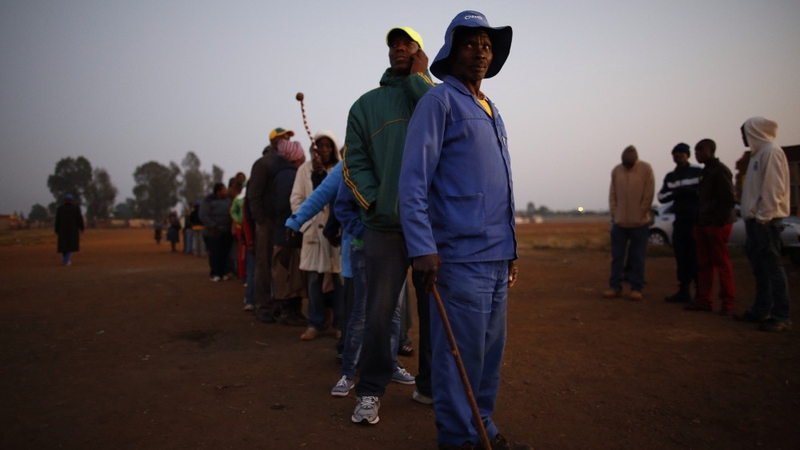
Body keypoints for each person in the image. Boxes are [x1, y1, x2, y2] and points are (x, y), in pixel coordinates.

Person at [400, 11, 530, 450]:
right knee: (460, 354)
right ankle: (458, 438)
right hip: (457, 257)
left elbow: (503, 186)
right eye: (471, 43)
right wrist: (422, 248)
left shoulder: (492, 110)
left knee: (489, 354)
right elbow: (413, 181)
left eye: (487, 45)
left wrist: (511, 248)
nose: (481, 51)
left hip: (495, 256)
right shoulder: (439, 103)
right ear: (452, 52)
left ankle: (483, 425)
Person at [343, 25, 435, 426]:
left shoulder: (435, 98)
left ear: (419, 53)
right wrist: (377, 204)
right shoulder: (366, 106)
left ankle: (429, 386)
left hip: (432, 226)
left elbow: (453, 133)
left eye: (407, 44)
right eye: (393, 45)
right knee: (380, 313)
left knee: (434, 310)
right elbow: (355, 163)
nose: (399, 48)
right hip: (385, 225)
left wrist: (420, 80)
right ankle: (370, 390)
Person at [735, 117, 792, 332]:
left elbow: (773, 190)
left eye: (745, 133)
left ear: (755, 131)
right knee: (760, 270)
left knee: (773, 268)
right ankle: (761, 310)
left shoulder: (771, 152)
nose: (743, 138)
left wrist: (762, 218)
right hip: (756, 222)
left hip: (766, 222)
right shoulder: (757, 155)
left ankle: (781, 315)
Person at [291, 131, 343, 341]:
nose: (323, 149)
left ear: (333, 149)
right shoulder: (304, 170)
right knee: (313, 282)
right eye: (318, 146)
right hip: (313, 235)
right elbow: (296, 200)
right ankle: (315, 323)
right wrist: (308, 221)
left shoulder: (340, 170)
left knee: (340, 281)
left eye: (327, 146)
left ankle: (340, 324)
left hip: (336, 235)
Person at [684, 139, 737, 313]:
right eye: (695, 150)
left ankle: (727, 303)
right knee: (704, 264)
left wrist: (718, 222)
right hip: (703, 223)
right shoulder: (706, 172)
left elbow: (729, 199)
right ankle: (704, 301)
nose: (697, 153)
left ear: (710, 151)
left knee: (722, 264)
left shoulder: (720, 171)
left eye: (700, 150)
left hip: (716, 225)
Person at [247, 128, 293, 323]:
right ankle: (263, 306)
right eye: (283, 138)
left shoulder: (285, 163)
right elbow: (254, 194)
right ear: (274, 142)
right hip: (266, 222)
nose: (286, 141)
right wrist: (260, 221)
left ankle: (276, 305)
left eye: (288, 138)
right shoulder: (263, 163)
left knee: (278, 266)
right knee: (264, 265)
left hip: (280, 222)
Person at [604, 145, 655, 301]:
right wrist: (615, 213)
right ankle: (615, 287)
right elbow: (612, 194)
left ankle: (636, 288)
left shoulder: (646, 170)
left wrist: (641, 213)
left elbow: (649, 194)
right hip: (619, 223)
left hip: (639, 224)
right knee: (617, 257)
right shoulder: (616, 171)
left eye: (629, 164)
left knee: (637, 258)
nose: (626, 167)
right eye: (624, 164)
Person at [658, 143, 703, 303]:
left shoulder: (697, 172)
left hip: (696, 220)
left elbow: (705, 191)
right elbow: (661, 197)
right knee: (681, 256)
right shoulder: (671, 176)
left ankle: (701, 292)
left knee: (696, 256)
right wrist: (679, 192)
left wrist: (688, 192)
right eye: (675, 154)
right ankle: (684, 290)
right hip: (680, 220)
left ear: (688, 155)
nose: (678, 156)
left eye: (681, 153)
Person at [271, 139, 309, 326]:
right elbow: (286, 205)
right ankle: (288, 312)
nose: (304, 156)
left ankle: (293, 311)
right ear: (295, 156)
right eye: (301, 153)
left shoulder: (283, 174)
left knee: (291, 275)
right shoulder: (289, 176)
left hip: (286, 233)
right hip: (289, 235)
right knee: (287, 275)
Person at [199, 182, 233, 282]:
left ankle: (223, 272)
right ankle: (215, 273)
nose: (225, 192)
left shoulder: (228, 201)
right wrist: (213, 226)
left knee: (225, 253)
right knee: (215, 253)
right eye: (224, 190)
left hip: (226, 231)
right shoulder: (208, 201)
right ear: (218, 192)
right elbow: (203, 215)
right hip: (213, 232)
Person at [55, 194, 84, 266]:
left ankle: (65, 258)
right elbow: (79, 219)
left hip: (62, 230)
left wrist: (56, 229)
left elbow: (57, 220)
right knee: (71, 245)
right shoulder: (76, 208)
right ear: (72, 200)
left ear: (65, 200)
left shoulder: (60, 209)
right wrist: (81, 227)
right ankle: (66, 259)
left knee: (63, 245)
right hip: (73, 230)